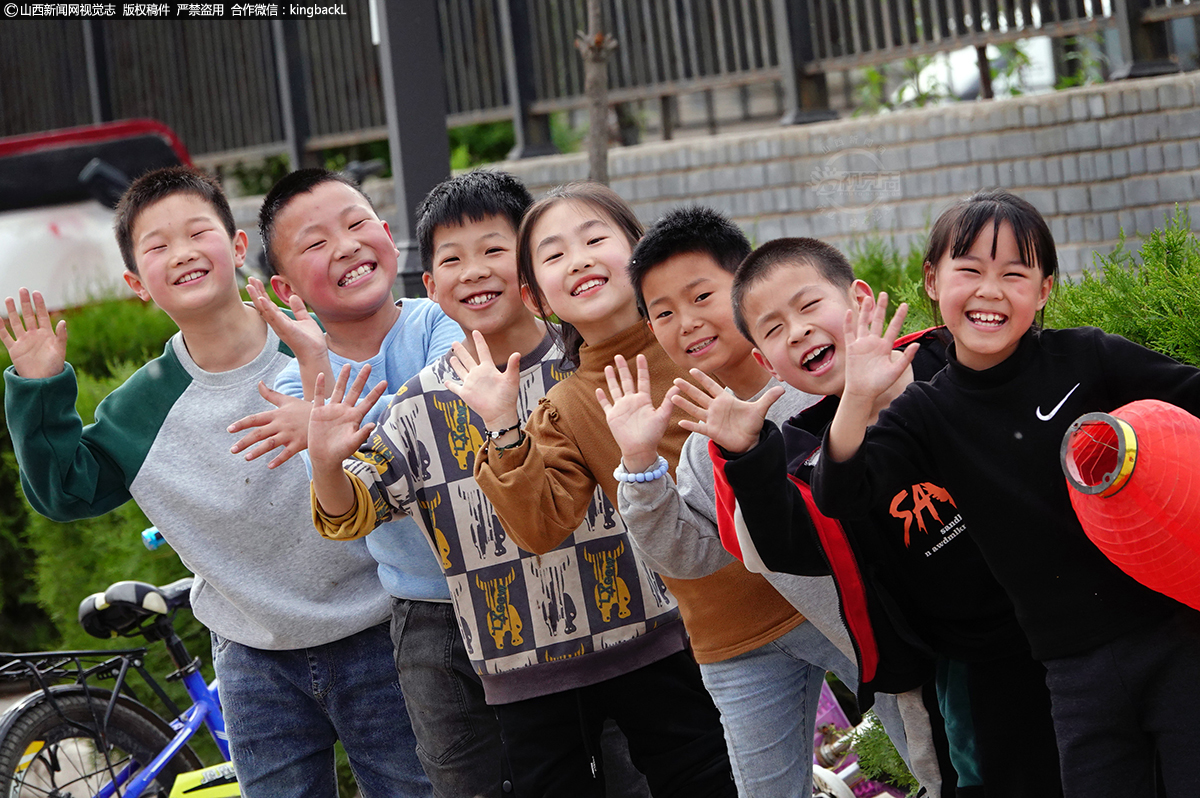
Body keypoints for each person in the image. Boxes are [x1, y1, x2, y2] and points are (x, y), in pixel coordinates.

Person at [0, 167, 430, 798]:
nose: (181, 253)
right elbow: (66, 490)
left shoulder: (316, 343)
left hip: (379, 630)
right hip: (254, 661)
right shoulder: (137, 411)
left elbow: (408, 441)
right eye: (156, 246)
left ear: (233, 248)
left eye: (197, 232)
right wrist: (40, 391)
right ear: (135, 284)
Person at [302, 169, 697, 798]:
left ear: (530, 274)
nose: (475, 271)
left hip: (649, 639)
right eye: (452, 260)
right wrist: (324, 462)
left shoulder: (589, 364)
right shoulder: (419, 403)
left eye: (494, 250)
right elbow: (349, 513)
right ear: (430, 286)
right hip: (523, 671)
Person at [811, 188, 1200, 797]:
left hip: (1176, 636)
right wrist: (856, 397)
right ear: (933, 281)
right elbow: (841, 495)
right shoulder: (926, 413)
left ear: (1043, 290)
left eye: (1014, 273)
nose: (990, 291)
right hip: (1072, 673)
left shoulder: (1087, 357)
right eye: (969, 270)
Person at [698, 234, 1062, 796]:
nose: (796, 331)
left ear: (859, 298)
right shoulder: (802, 449)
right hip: (966, 662)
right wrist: (747, 459)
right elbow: (789, 547)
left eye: (809, 305)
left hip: (1068, 610)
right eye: (773, 330)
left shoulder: (951, 354)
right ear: (763, 362)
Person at [595, 206, 940, 797]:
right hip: (762, 642)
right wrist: (639, 466)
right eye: (663, 314)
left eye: (702, 295)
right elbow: (691, 553)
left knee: (940, 752)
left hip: (885, 624)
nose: (688, 323)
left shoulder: (830, 387)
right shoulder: (708, 445)